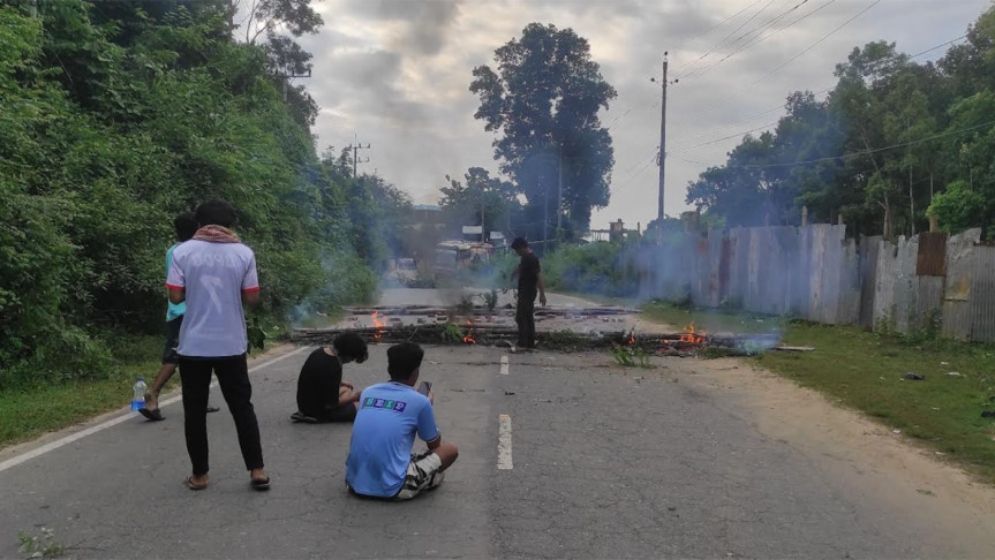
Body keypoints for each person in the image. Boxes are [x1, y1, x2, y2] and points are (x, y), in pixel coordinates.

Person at [166, 199, 269, 491]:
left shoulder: (182, 252)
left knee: (195, 411)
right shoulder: (244, 253)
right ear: (230, 224)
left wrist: (193, 290)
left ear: (199, 223)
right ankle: (257, 470)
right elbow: (252, 298)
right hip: (231, 343)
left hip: (194, 344)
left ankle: (200, 475)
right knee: (241, 407)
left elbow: (174, 297)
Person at [345, 343, 459, 500]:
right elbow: (434, 445)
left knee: (401, 452)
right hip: (394, 487)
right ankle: (428, 479)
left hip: (354, 483)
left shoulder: (368, 392)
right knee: (450, 450)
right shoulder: (420, 401)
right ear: (415, 372)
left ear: (389, 369)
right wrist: (427, 406)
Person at [139, 212, 218, 421]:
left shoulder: (172, 251)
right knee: (175, 357)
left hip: (176, 311)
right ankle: (152, 393)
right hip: (188, 311)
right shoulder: (189, 253)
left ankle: (199, 398)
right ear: (196, 230)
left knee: (194, 356)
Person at [291, 333, 368, 424]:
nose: (349, 361)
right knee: (351, 410)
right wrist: (355, 398)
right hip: (316, 411)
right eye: (351, 359)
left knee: (347, 389)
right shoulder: (334, 366)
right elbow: (331, 405)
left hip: (304, 404)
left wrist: (341, 382)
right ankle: (314, 416)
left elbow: (319, 378)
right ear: (347, 354)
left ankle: (305, 413)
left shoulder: (318, 352)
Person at [510, 237, 547, 350]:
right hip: (524, 291)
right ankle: (530, 342)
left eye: (517, 250)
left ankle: (523, 342)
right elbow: (521, 267)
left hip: (528, 291)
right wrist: (514, 274)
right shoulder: (525, 258)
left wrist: (542, 294)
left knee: (521, 317)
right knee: (527, 316)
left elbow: (538, 276)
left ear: (522, 247)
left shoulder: (532, 259)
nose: (516, 253)